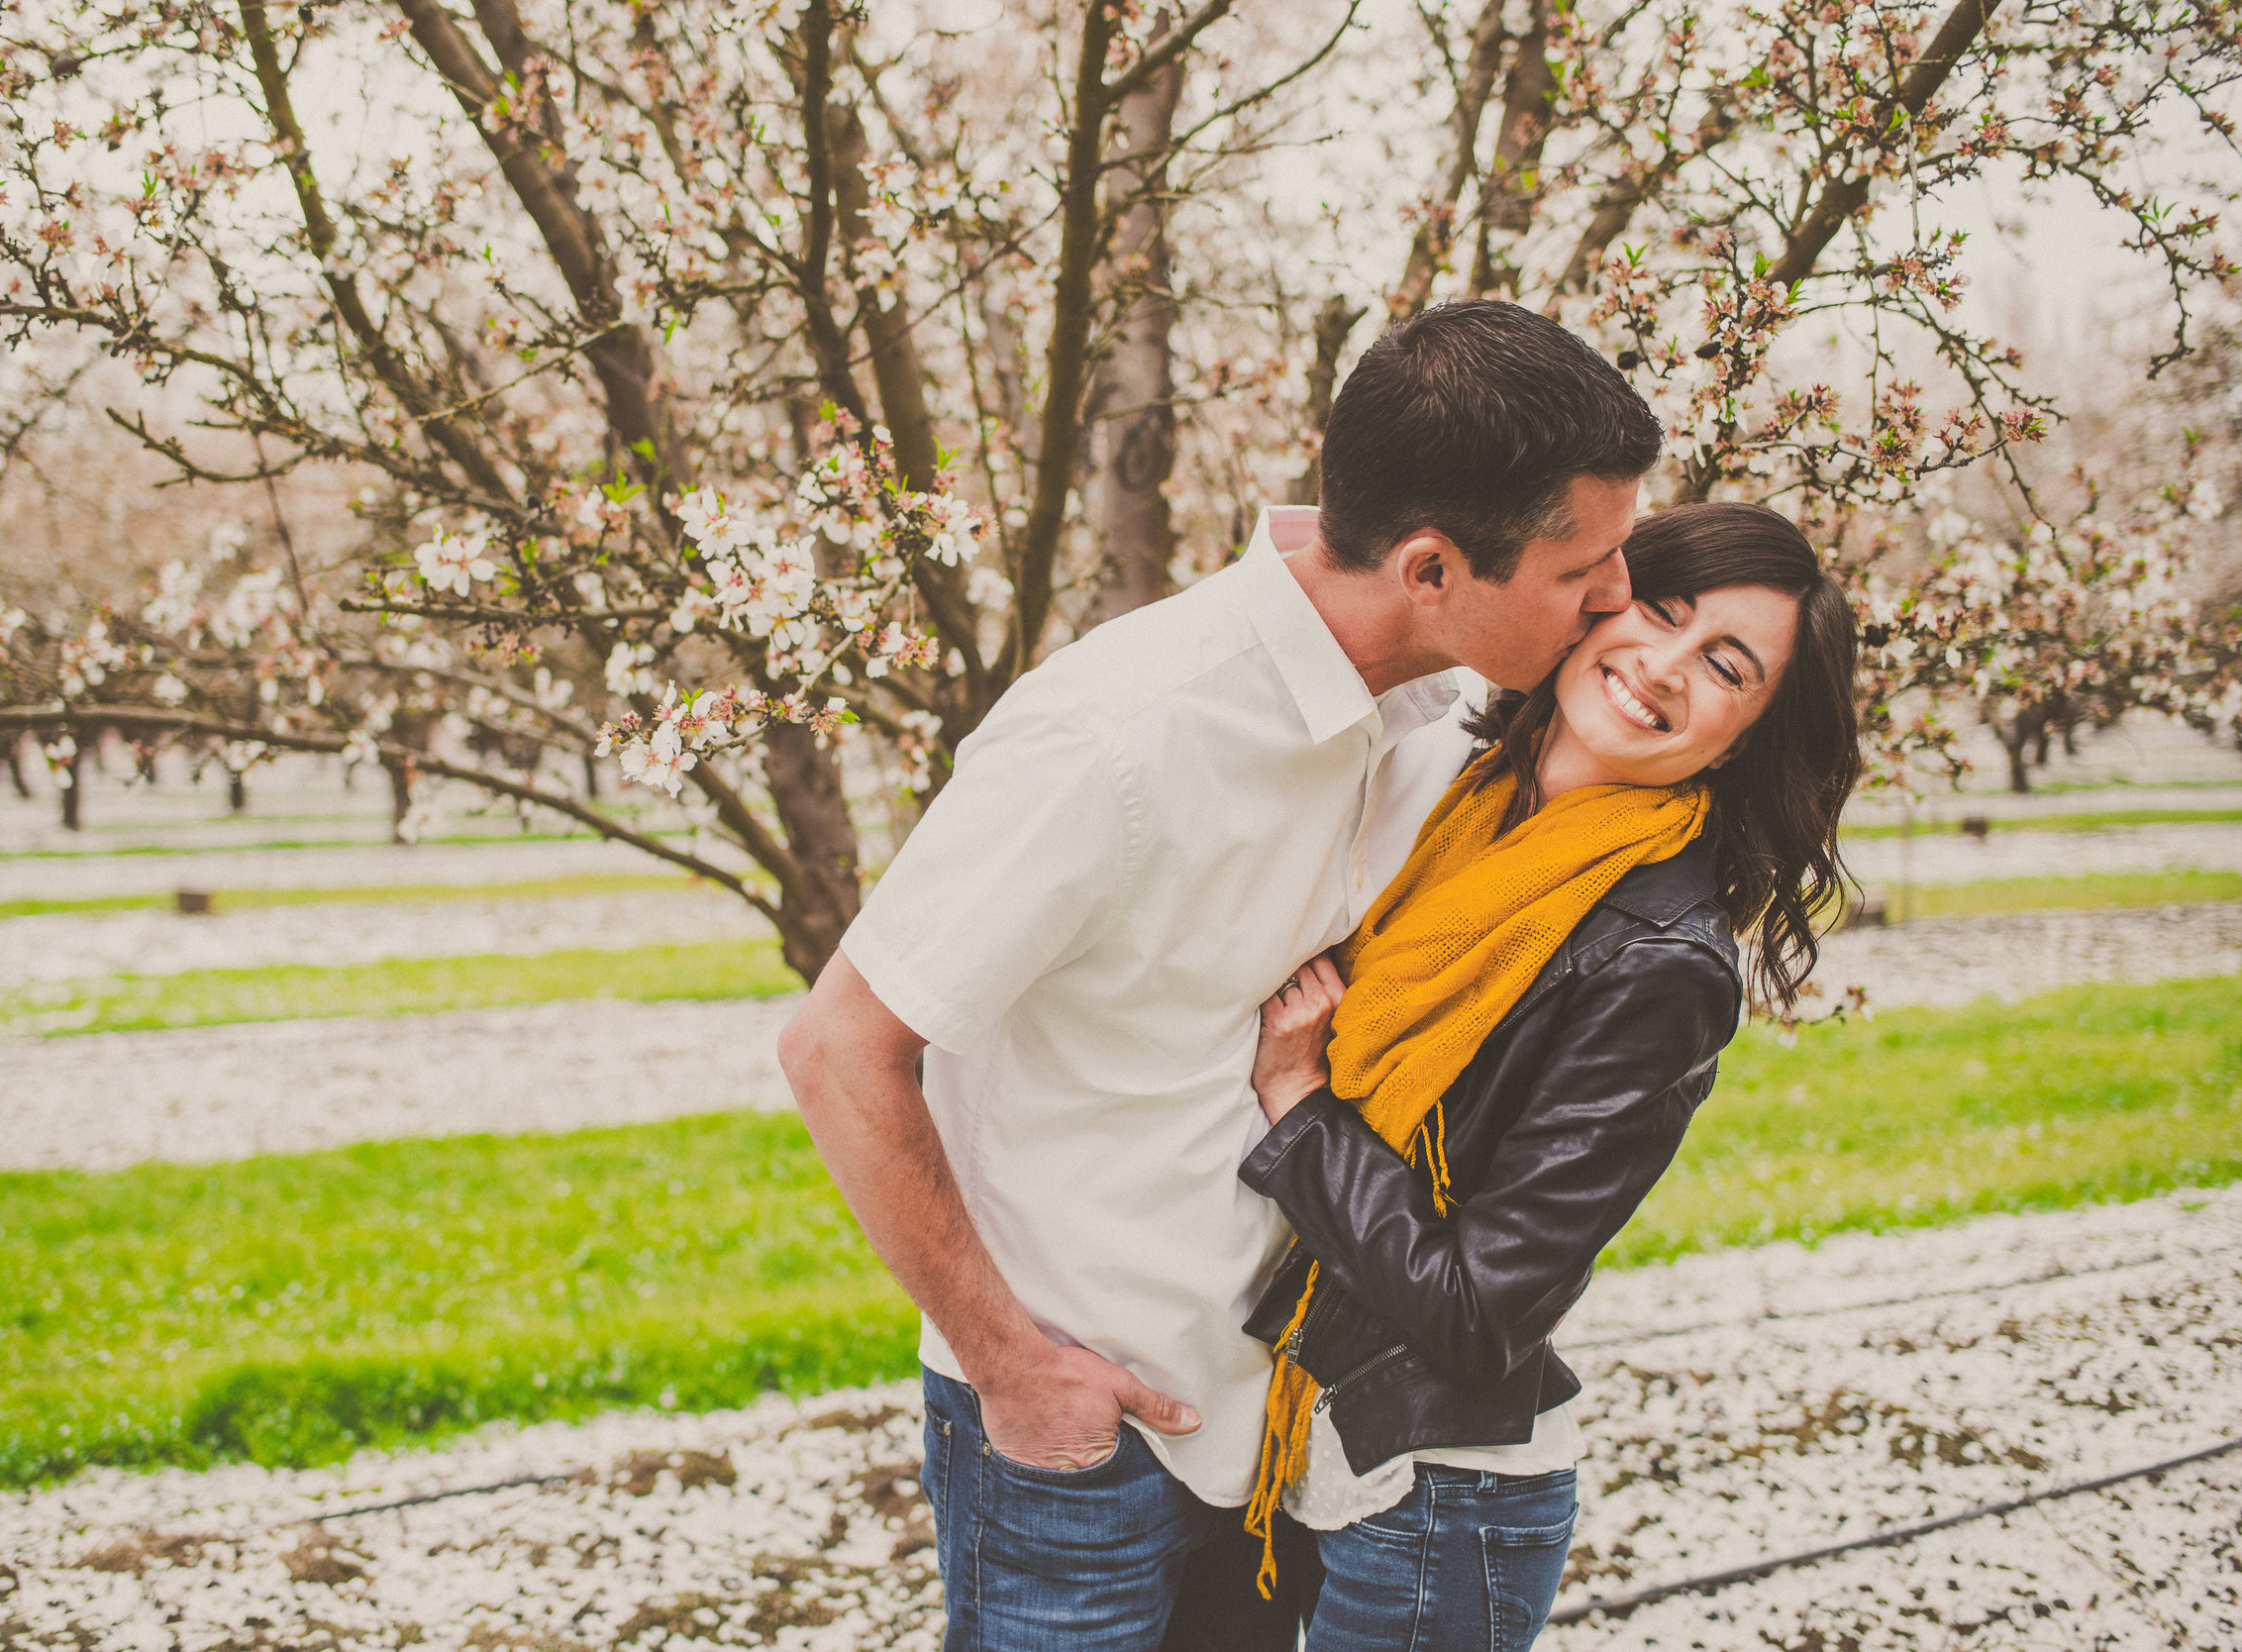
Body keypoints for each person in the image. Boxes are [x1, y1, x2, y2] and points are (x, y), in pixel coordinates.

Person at [776, 299, 1662, 1650]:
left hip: (1280, 1443)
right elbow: (839, 1049)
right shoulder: (1120, 735)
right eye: (1583, 568)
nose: (1617, 599)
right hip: (1083, 1433)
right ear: (1431, 567)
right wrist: (1014, 1368)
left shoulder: (1444, 726)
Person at [1236, 500, 1861, 1650]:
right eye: (1659, 613)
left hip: (1436, 1501)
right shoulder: (1457, 803)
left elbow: (1482, 1310)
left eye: (1723, 666)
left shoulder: (1662, 962)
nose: (1660, 666)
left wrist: (1301, 1111)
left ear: (1745, 737)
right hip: (1316, 1442)